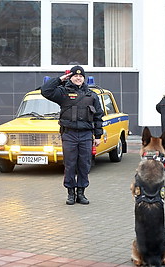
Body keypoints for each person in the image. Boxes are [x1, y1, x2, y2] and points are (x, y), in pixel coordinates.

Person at [41, 65, 104, 205]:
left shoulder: (91, 95)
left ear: (84, 78)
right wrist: (60, 79)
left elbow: (98, 116)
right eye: (75, 75)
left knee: (84, 164)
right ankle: (70, 193)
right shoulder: (63, 93)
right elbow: (45, 91)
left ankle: (81, 193)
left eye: (81, 76)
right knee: (70, 164)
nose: (78, 78)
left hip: (86, 134)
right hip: (69, 134)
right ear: (71, 77)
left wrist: (98, 136)